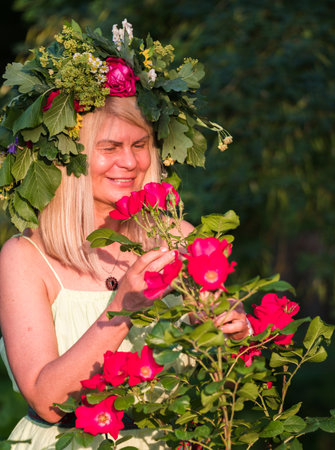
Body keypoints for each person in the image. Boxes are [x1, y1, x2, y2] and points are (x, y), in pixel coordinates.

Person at [0, 20, 250, 449]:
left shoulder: (178, 236)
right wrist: (122, 308)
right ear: (70, 159)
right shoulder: (25, 257)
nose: (130, 163)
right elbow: (46, 399)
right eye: (110, 148)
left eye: (140, 146)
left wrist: (235, 333)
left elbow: (227, 375)